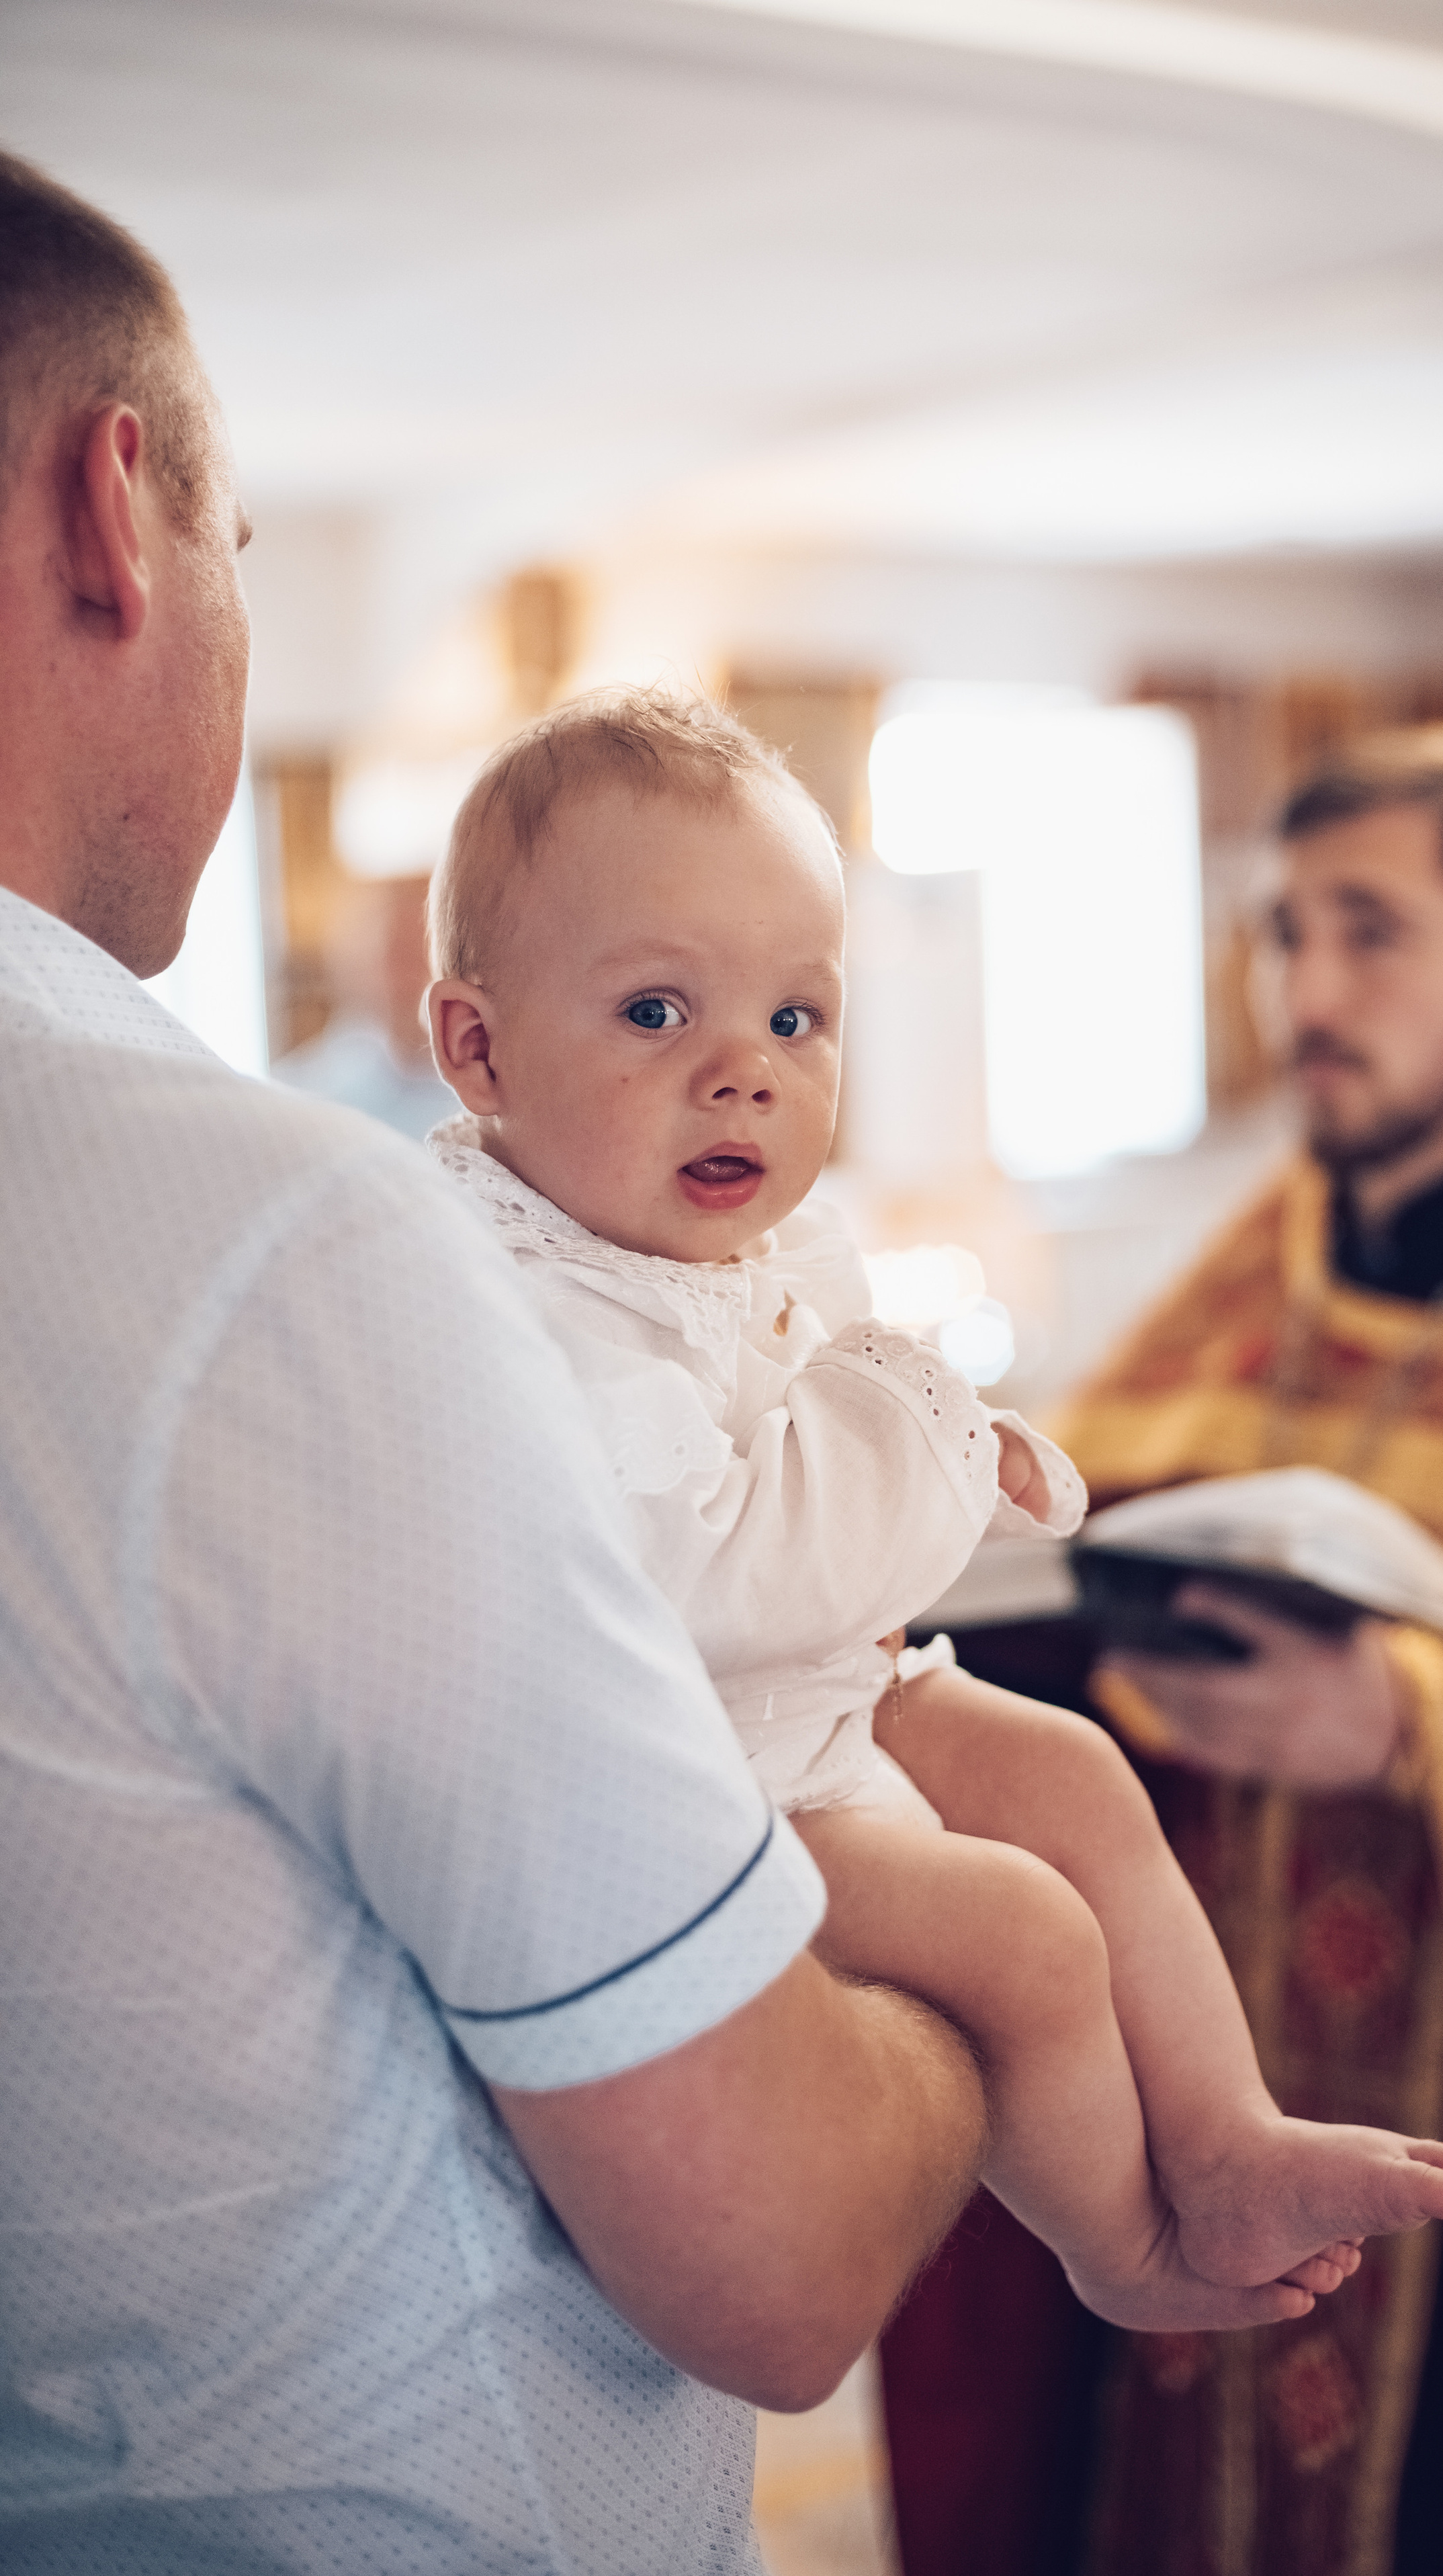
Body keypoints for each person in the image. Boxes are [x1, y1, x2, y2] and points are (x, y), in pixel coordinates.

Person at [0, 150, 994, 2575]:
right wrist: (1004, 1990)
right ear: (118, 516)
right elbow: (770, 2249)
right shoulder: (269, 1241)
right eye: (243, 548)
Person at [420, 683, 1443, 2345]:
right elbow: (717, 1570)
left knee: (1073, 1774)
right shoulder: (529, 1296)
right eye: (653, 1010)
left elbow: (834, 1453)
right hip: (678, 1786)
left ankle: (1224, 2138)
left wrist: (951, 1448)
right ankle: (1130, 2249)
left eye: (795, 1017)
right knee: (1023, 1932)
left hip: (815, 1703)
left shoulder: (747, 1241)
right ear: (478, 1047)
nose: (742, 1074)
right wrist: (908, 1427)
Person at [885, 726, 1443, 2576]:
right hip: (1210, 2180)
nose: (1307, 993)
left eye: (1370, 933)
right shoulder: (1244, 1289)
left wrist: (1421, 1726)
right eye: (1286, 934)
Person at [274, 871, 455, 1139]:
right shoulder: (303, 1092)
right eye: (395, 954)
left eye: (422, 952)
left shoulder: (485, 1089)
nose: (411, 975)